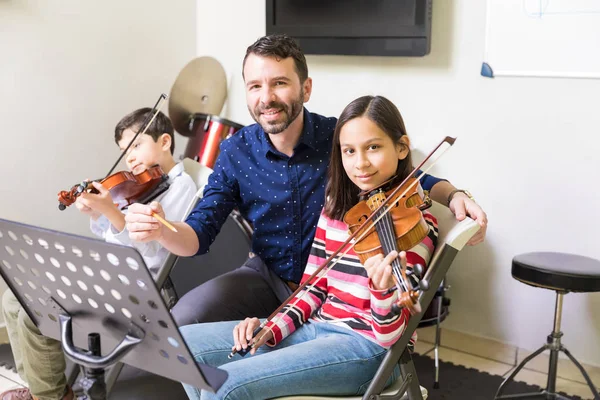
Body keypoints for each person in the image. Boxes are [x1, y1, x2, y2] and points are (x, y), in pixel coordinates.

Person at [125, 34, 488, 329]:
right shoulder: (235, 150)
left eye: (279, 83)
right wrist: (161, 230)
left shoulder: (337, 136)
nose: (266, 98)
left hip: (339, 286)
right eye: (255, 86)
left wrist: (453, 194)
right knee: (184, 322)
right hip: (267, 276)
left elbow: (408, 176)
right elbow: (197, 236)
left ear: (306, 88)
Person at [180, 95, 440, 399]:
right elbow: (312, 288)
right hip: (317, 328)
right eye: (349, 151)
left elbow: (391, 337)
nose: (361, 163)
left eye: (373, 147)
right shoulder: (337, 210)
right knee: (182, 347)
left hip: (367, 349)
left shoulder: (416, 225)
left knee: (225, 384)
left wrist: (382, 292)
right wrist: (269, 328)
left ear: (401, 147)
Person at [0, 108, 197, 400]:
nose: (129, 157)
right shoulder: (141, 186)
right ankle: (41, 388)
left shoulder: (181, 187)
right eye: (123, 150)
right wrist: (99, 212)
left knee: (34, 315)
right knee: (14, 298)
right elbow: (110, 239)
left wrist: (111, 212)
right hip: (108, 277)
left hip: (135, 291)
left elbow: (151, 254)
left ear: (165, 142)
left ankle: (50, 397)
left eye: (136, 145)